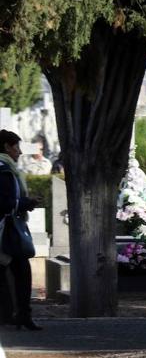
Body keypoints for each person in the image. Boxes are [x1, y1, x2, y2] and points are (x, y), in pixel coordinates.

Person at [0, 130, 42, 330]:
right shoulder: (4, 170)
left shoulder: (8, 168)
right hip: (6, 230)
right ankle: (19, 315)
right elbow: (4, 202)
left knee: (13, 273)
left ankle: (15, 315)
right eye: (17, 147)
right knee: (21, 272)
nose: (20, 152)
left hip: (8, 228)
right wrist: (26, 203)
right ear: (7, 147)